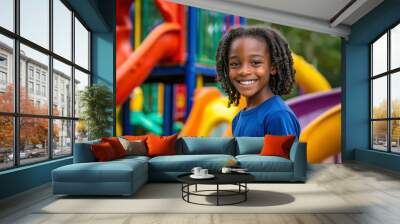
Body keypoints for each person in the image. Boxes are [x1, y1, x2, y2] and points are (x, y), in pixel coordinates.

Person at [216, 26, 301, 139]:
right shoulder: (238, 119)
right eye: (235, 64)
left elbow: (283, 157)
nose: (244, 71)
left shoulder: (277, 116)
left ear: (273, 67)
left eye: (255, 62)